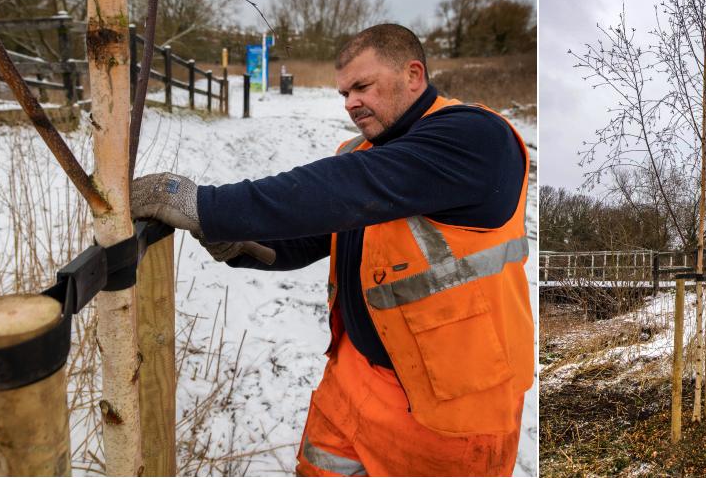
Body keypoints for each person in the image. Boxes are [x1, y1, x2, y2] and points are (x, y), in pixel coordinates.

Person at [131, 24, 533, 476]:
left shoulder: (474, 137)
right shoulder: (361, 150)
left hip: (453, 406)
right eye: (343, 93)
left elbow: (339, 188)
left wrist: (203, 205)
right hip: (352, 374)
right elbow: (311, 235)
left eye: (362, 86)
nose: (350, 103)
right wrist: (241, 244)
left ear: (413, 75)